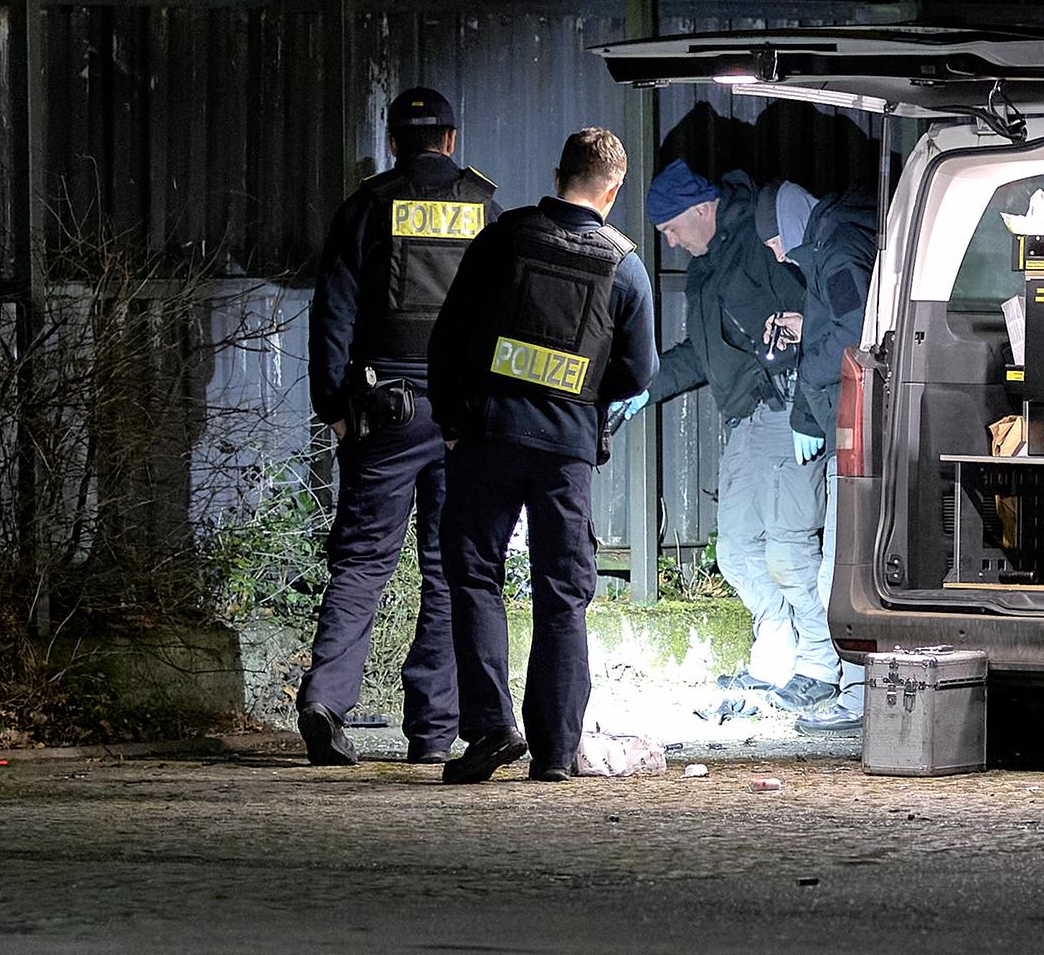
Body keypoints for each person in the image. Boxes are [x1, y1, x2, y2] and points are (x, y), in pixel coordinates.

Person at [427, 127, 656, 784]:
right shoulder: (624, 264)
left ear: (558, 174)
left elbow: (450, 336)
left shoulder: (504, 237)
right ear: (613, 189)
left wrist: (451, 421)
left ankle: (492, 729)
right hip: (566, 451)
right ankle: (555, 753)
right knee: (562, 595)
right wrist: (585, 396)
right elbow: (639, 371)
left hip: (487, 436)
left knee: (472, 576)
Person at [298, 86, 499, 767]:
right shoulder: (483, 209)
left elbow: (333, 312)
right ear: (451, 139)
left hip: (383, 407)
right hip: (460, 415)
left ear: (392, 143)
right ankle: (433, 733)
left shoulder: (366, 206)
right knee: (447, 572)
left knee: (360, 563)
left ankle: (325, 701)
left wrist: (332, 404)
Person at [608, 160, 836, 714]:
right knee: (736, 551)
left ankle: (823, 667)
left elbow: (820, 323)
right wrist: (645, 388)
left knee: (788, 547)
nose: (670, 241)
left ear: (703, 208)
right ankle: (777, 657)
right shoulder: (707, 267)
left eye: (671, 227)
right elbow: (701, 354)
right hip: (750, 420)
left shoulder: (762, 245)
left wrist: (808, 411)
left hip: (790, 410)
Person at [754, 182, 880, 736]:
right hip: (849, 424)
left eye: (777, 241)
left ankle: (855, 695)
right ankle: (851, 688)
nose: (777, 255)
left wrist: (805, 376)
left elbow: (855, 334)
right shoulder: (835, 242)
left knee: (840, 565)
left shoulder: (838, 246)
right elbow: (844, 315)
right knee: (838, 559)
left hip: (857, 427)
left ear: (794, 226)